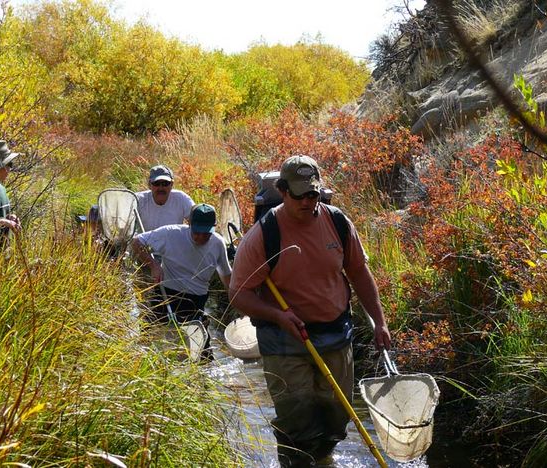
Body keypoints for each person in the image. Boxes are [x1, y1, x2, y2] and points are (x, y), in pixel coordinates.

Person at [229, 155, 391, 467]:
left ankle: (324, 459)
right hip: (284, 339)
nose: (307, 201)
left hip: (335, 334)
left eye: (313, 194)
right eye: (299, 194)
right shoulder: (264, 235)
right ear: (283, 191)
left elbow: (359, 274)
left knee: (335, 418)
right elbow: (238, 293)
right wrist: (277, 315)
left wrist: (379, 322)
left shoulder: (338, 223)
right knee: (297, 421)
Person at [132, 203, 232, 359]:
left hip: (195, 302)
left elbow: (227, 277)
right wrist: (154, 265)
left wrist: (238, 303)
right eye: (197, 232)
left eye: (206, 233)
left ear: (214, 227)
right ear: (189, 224)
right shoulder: (171, 234)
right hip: (165, 297)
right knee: (148, 346)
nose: (201, 237)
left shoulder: (218, 243)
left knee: (203, 359)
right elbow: (137, 241)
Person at [136, 164, 195, 232]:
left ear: (172, 184)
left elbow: (197, 219)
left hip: (172, 241)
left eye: (165, 183)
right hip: (144, 242)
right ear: (149, 185)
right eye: (156, 183)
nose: (161, 188)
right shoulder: (138, 199)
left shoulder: (181, 198)